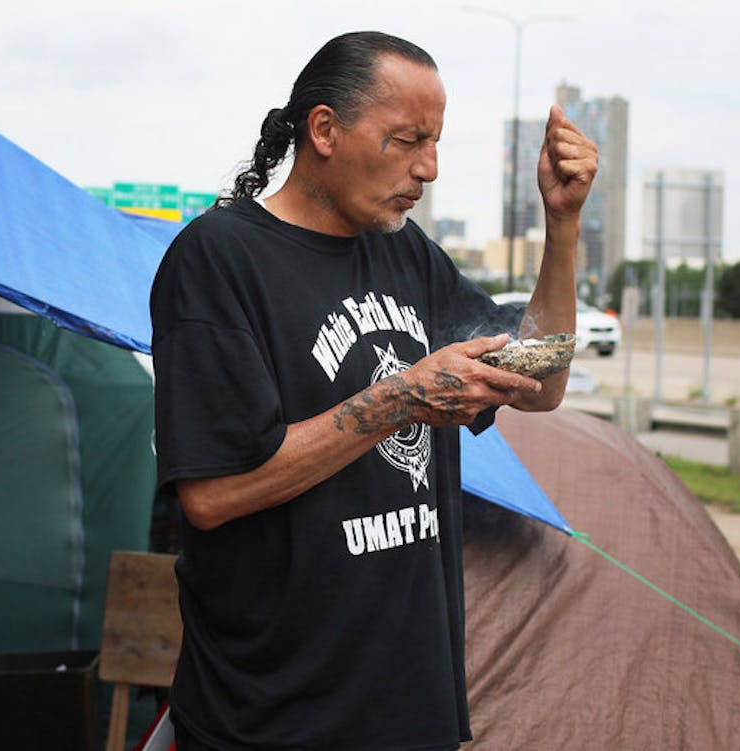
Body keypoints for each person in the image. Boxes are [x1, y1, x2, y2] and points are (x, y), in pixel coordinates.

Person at [150, 31, 597, 750]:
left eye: (436, 141)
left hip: (409, 711)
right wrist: (399, 400)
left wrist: (564, 226)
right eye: (406, 140)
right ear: (324, 129)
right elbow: (212, 495)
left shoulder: (407, 252)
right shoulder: (219, 258)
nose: (429, 168)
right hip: (270, 721)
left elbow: (537, 383)